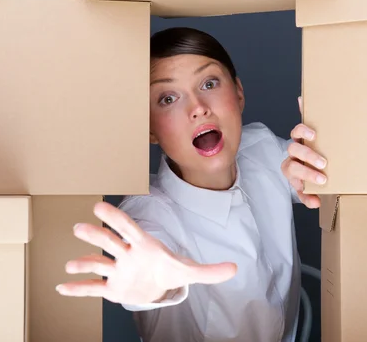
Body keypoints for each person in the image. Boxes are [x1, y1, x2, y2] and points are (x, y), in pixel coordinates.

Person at [55, 27, 328, 342]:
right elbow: (148, 256)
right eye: (168, 98)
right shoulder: (149, 213)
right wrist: (150, 287)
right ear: (149, 128)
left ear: (238, 93)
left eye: (209, 83)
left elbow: (307, 168)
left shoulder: (262, 148)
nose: (198, 107)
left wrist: (318, 163)